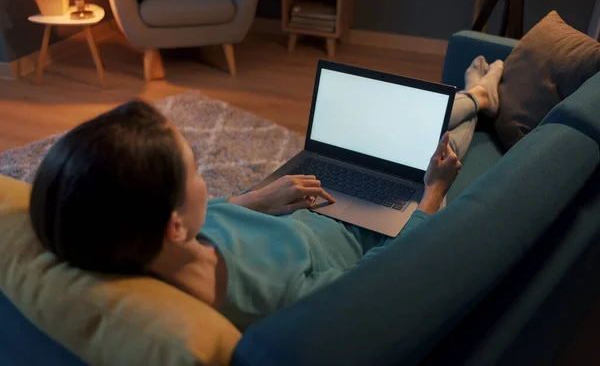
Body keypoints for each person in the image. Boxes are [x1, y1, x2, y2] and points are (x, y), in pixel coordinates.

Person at [29, 57, 504, 330]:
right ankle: (479, 99)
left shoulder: (155, 244)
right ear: (173, 224)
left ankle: (475, 97)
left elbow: (211, 217)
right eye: (195, 168)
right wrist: (432, 196)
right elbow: (383, 281)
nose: (206, 180)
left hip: (300, 205)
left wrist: (254, 200)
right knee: (429, 157)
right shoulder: (273, 299)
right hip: (369, 232)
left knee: (369, 144)